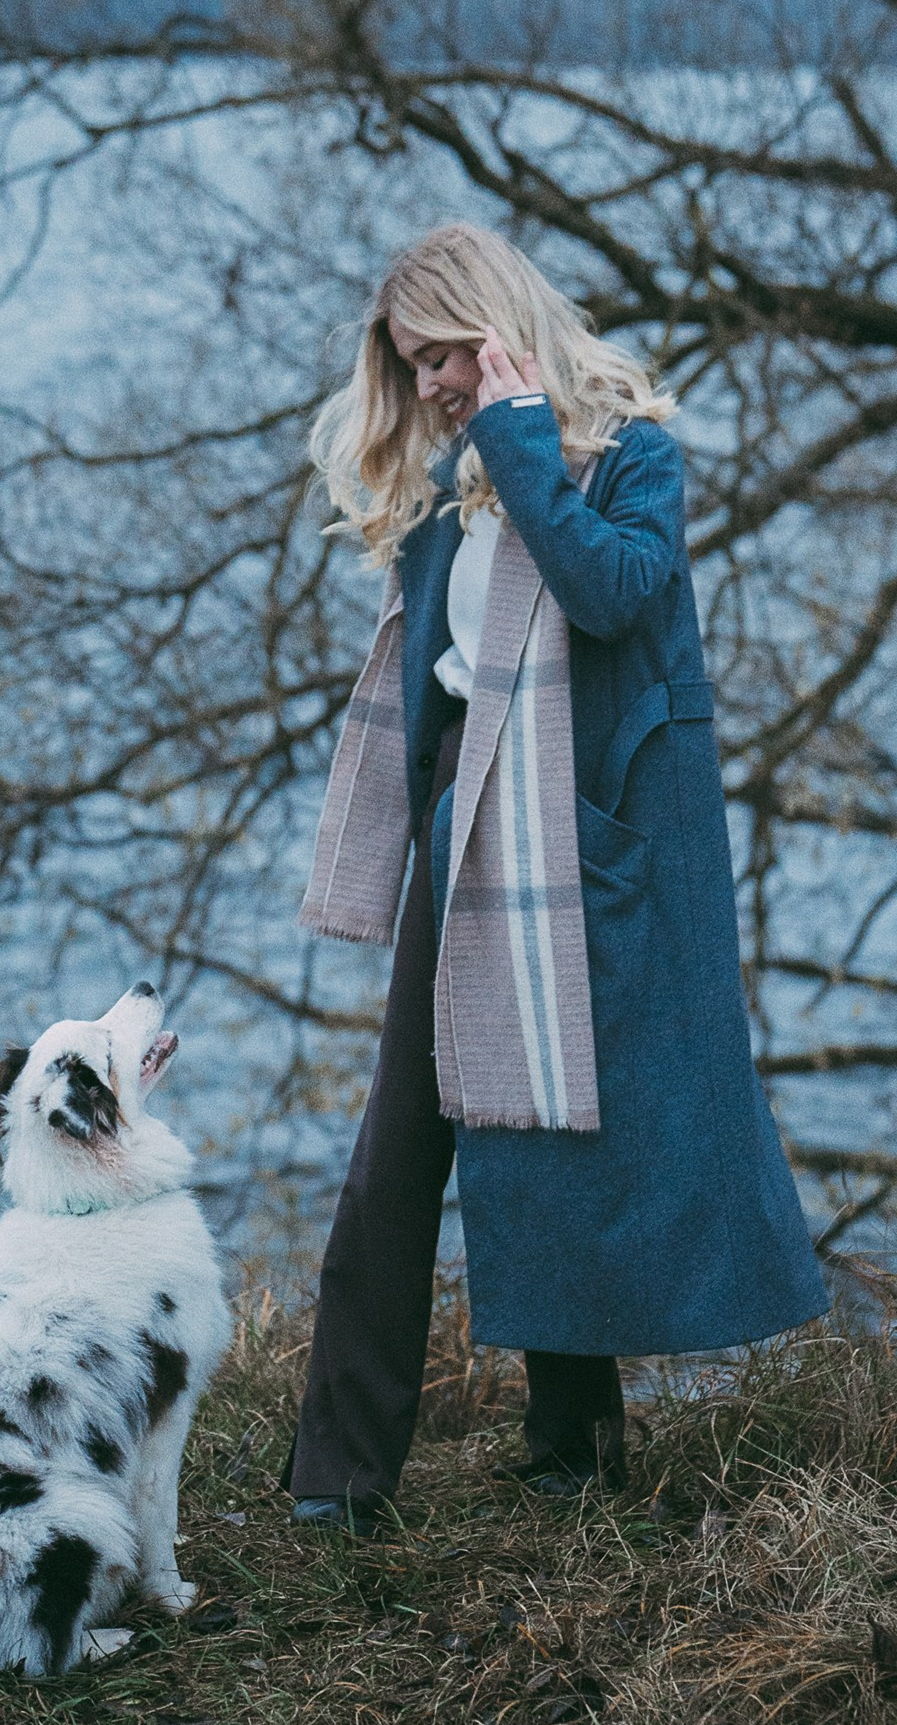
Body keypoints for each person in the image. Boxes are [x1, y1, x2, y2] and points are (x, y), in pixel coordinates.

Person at [286, 222, 825, 1529]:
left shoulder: (630, 455)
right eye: (410, 370)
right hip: (470, 832)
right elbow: (437, 665)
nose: (430, 392)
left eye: (442, 361)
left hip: (596, 843)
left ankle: (575, 1448)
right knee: (398, 1151)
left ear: (497, 330)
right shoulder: (453, 478)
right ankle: (338, 1478)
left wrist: (520, 436)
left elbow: (613, 594)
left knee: (556, 1131)